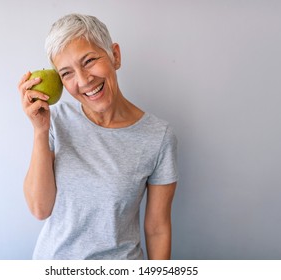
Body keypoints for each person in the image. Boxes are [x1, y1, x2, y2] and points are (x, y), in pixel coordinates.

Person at [18, 13, 178, 260]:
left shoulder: (158, 137)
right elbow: (40, 208)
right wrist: (40, 131)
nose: (83, 80)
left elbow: (157, 229)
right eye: (67, 73)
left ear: (115, 55)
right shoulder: (54, 121)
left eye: (89, 60)